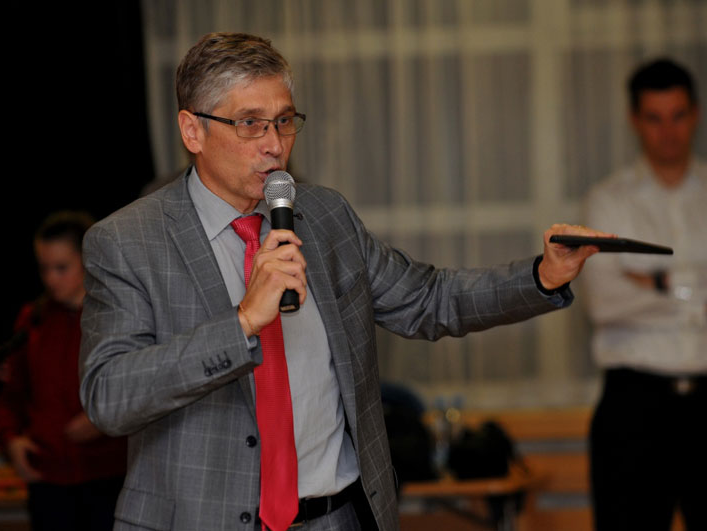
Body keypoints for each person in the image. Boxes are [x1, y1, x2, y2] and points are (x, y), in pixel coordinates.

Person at [78, 32, 606, 531]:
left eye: (284, 121)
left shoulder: (324, 217)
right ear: (192, 130)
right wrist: (242, 323)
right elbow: (109, 396)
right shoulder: (128, 241)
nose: (274, 145)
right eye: (250, 123)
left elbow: (428, 299)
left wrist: (541, 276)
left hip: (337, 516)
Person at [582, 58, 707, 530]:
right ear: (635, 120)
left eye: (678, 116)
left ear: (695, 114)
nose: (668, 132)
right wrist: (695, 289)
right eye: (654, 118)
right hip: (633, 405)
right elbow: (603, 303)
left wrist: (652, 281)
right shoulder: (607, 201)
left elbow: (623, 296)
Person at [0, 211, 126, 531]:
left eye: (61, 268)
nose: (51, 279)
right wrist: (11, 439)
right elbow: (12, 393)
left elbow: (145, 388)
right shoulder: (34, 318)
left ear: (88, 261)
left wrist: (104, 418)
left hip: (109, 473)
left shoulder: (119, 315)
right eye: (44, 268)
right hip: (49, 478)